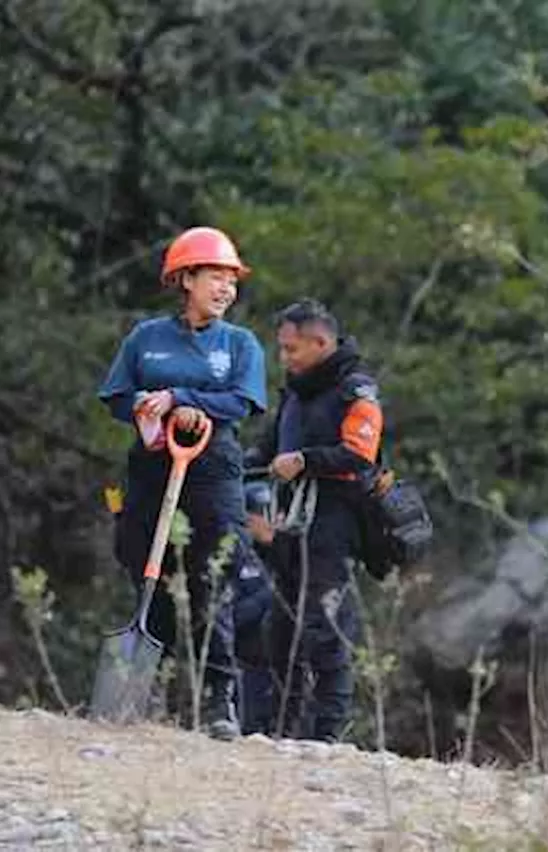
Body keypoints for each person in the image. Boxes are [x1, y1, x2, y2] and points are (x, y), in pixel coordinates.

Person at [98, 226, 268, 740]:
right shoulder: (145, 338)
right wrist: (146, 410)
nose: (225, 289)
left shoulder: (240, 344)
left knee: (213, 575)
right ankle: (146, 688)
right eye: (215, 277)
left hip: (213, 470)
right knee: (141, 558)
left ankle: (221, 699)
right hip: (151, 466)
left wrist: (184, 401)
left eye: (231, 280)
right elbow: (114, 396)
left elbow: (242, 403)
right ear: (185, 279)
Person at [246, 299, 384, 742]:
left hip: (336, 522)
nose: (284, 358)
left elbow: (359, 456)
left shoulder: (355, 389)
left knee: (326, 628)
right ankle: (280, 730)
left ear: (321, 342)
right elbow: (264, 453)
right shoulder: (296, 391)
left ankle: (329, 736)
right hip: (290, 522)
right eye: (281, 349)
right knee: (281, 628)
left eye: (291, 349)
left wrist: (305, 461)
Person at [234, 480, 277, 735]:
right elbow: (229, 617)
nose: (272, 521)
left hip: (281, 673)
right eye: (264, 514)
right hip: (246, 670)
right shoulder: (234, 556)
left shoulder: (284, 554)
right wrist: (271, 595)